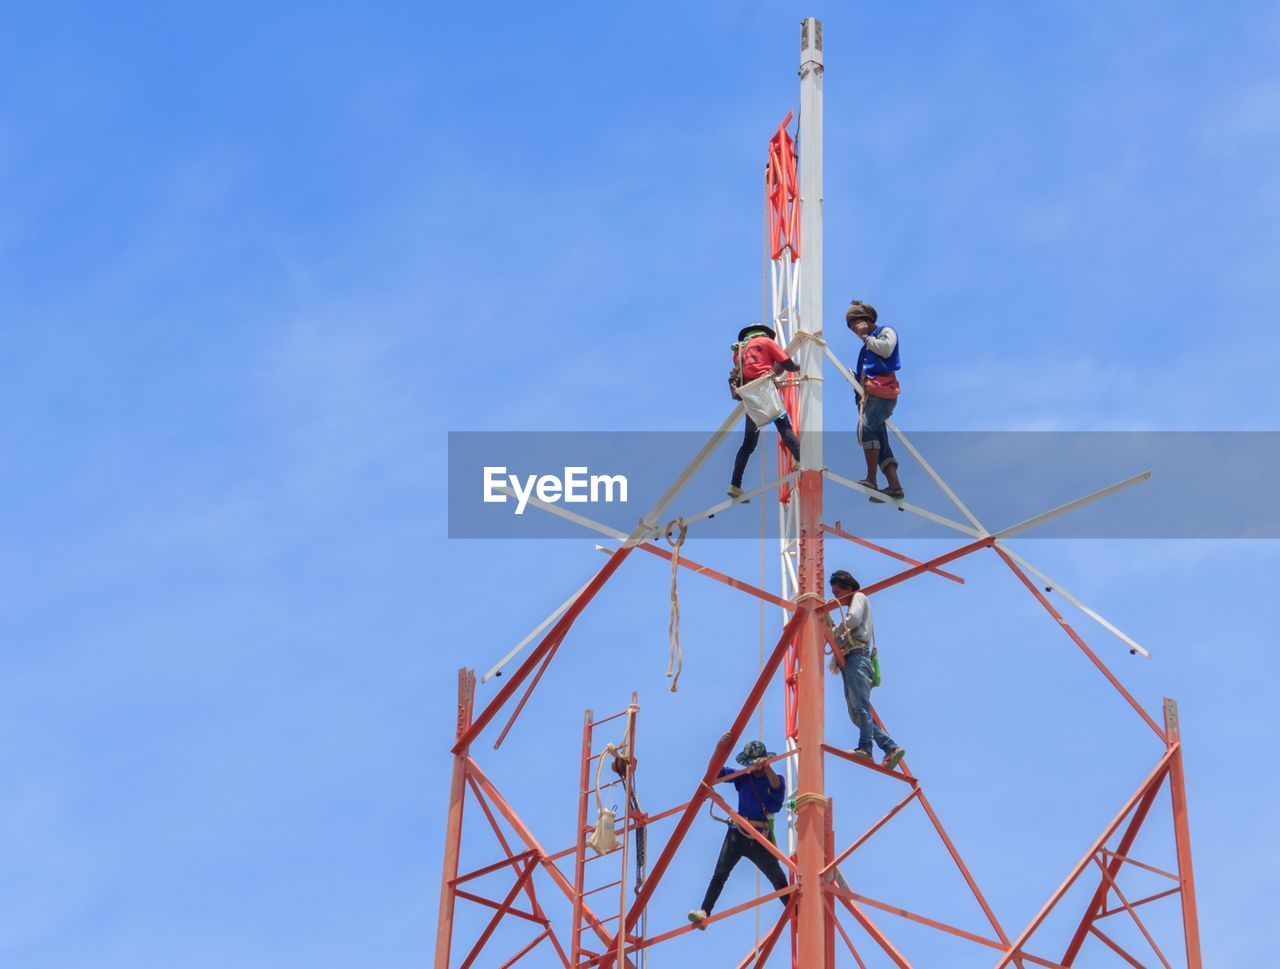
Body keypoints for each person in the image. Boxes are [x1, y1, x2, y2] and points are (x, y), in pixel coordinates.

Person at [688, 737, 789, 930]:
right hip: (738, 832)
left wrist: (767, 768)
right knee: (719, 874)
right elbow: (714, 773)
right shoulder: (744, 777)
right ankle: (704, 912)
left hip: (759, 836)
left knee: (778, 878)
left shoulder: (774, 779)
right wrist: (718, 748)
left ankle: (798, 913)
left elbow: (776, 795)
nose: (755, 768)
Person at [827, 569, 906, 770]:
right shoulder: (855, 601)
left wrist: (834, 632)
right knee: (856, 713)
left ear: (848, 587)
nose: (837, 599)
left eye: (838, 594)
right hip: (852, 658)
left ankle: (866, 749)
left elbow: (852, 621)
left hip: (857, 657)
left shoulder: (859, 597)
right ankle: (889, 747)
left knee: (861, 707)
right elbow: (847, 627)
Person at [728, 323, 800, 501]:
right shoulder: (765, 342)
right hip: (763, 390)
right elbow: (787, 364)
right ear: (764, 333)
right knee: (784, 426)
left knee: (749, 443)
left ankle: (735, 485)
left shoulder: (739, 351)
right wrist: (800, 367)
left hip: (749, 394)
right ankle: (802, 460)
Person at [846, 301, 904, 501]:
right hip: (871, 394)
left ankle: (871, 479)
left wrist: (865, 337)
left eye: (856, 322)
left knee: (868, 428)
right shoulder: (867, 346)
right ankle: (894, 486)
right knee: (880, 442)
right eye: (851, 325)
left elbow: (887, 350)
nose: (854, 328)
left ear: (867, 320)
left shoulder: (884, 332)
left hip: (882, 392)